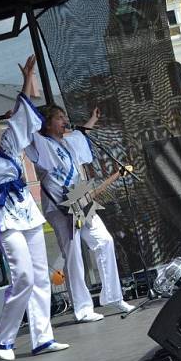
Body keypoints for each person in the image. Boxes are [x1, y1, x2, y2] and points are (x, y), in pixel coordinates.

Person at [0, 56, 69, 361]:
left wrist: (27, 79)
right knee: (22, 275)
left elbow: (22, 117)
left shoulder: (8, 143)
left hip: (27, 211)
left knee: (39, 275)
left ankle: (42, 338)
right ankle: (4, 338)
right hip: (5, 214)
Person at [26, 103, 135, 323]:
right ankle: (83, 308)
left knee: (104, 240)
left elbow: (81, 133)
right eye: (59, 117)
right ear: (46, 123)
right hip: (59, 206)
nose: (64, 120)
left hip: (79, 197)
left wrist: (93, 119)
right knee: (73, 253)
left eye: (64, 116)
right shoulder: (40, 144)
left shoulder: (69, 141)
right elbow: (27, 128)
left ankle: (113, 296)